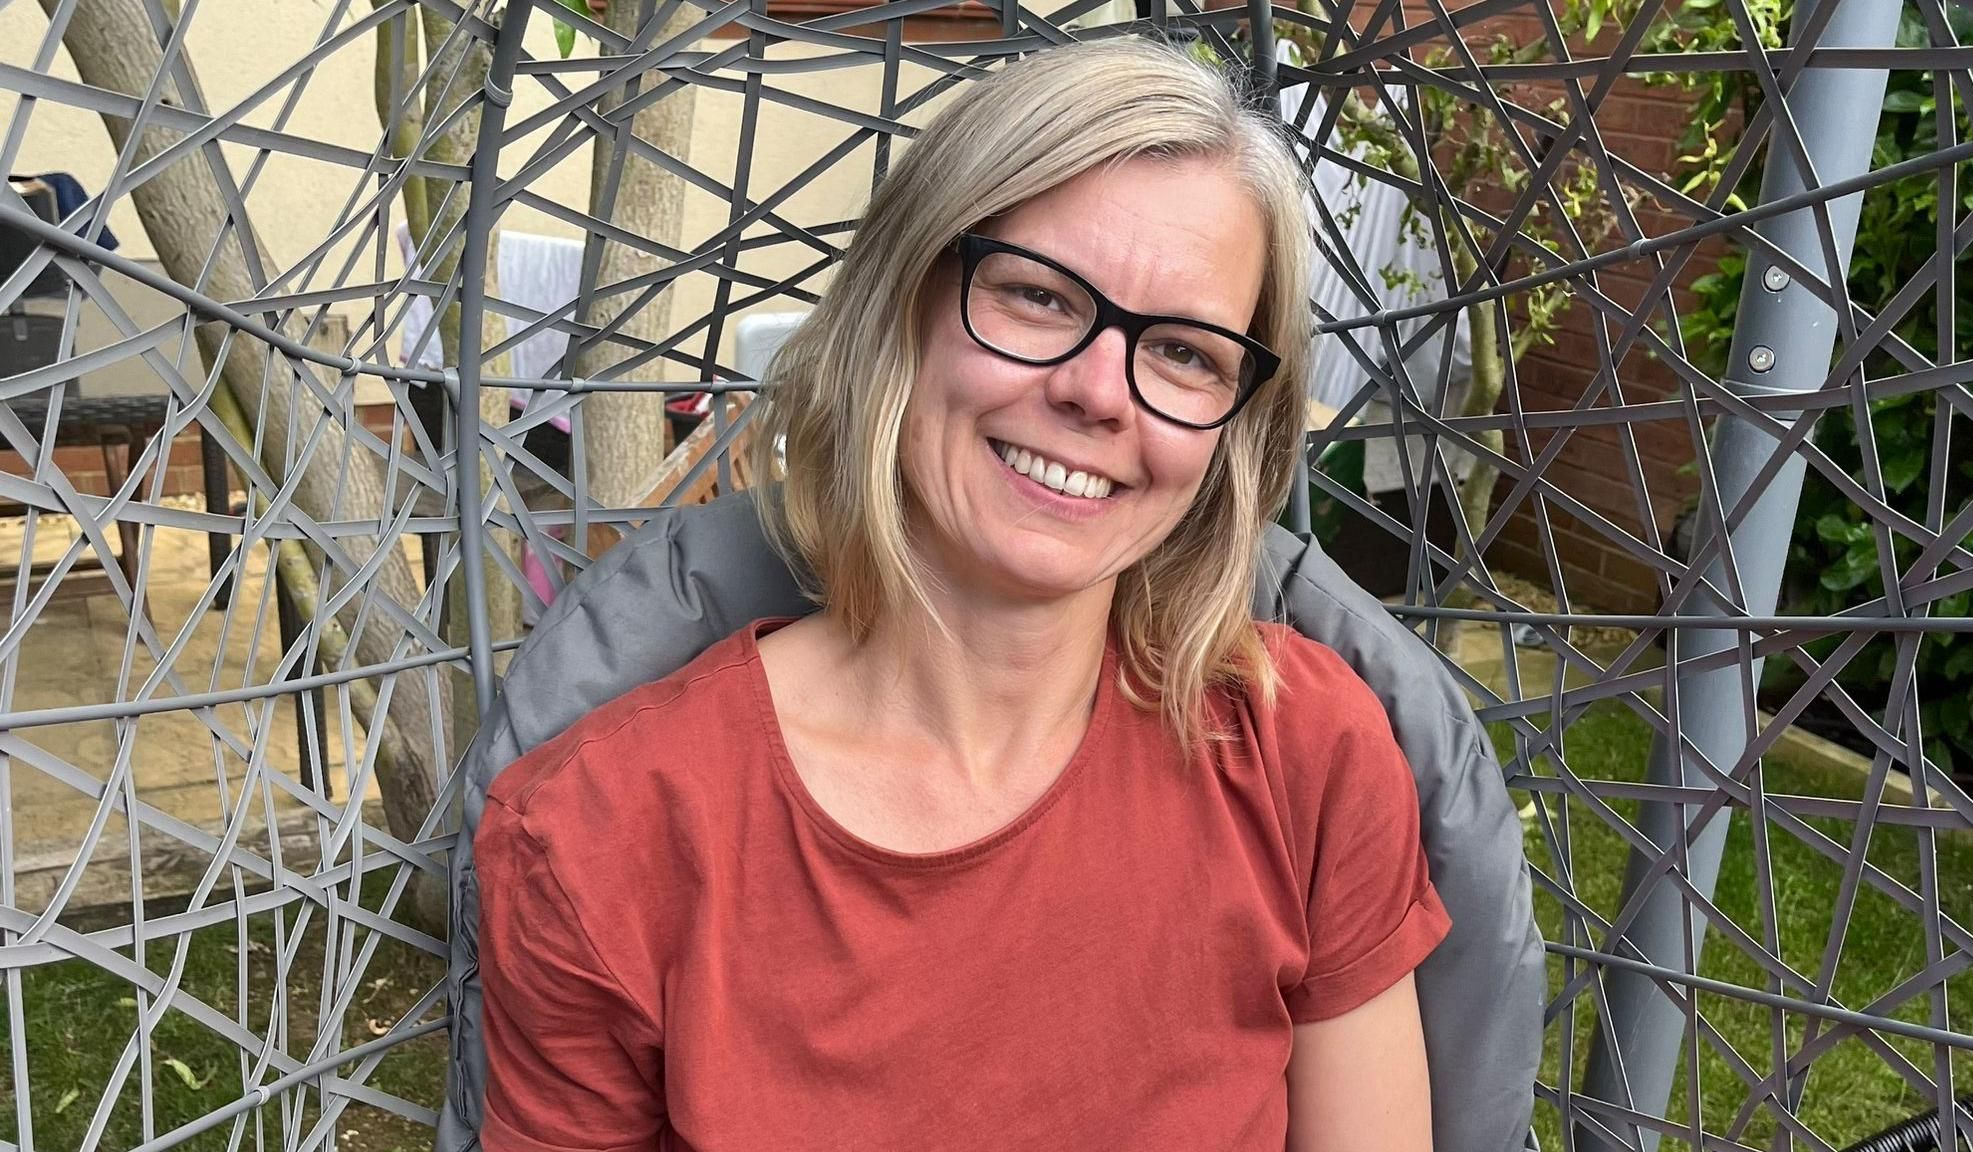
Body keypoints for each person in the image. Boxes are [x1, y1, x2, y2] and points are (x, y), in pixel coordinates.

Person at [475, 35, 1449, 1152]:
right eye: (1037, 295)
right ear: (901, 308)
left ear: (1232, 422)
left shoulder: (1301, 754)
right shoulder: (604, 837)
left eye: (1184, 353)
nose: (1098, 393)